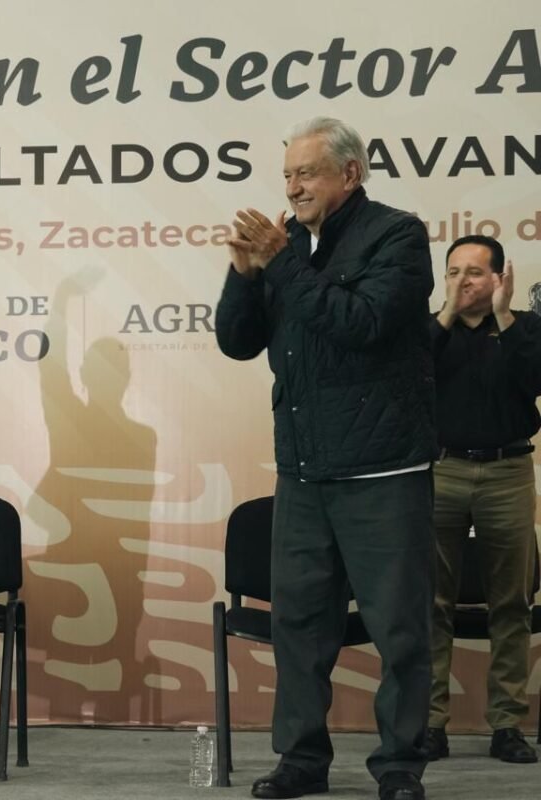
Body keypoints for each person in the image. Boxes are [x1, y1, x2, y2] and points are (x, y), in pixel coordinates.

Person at [215, 118, 436, 800]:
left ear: (350, 173)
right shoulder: (287, 250)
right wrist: (244, 274)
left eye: (306, 173)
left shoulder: (398, 235)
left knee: (398, 630)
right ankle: (302, 760)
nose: (293, 186)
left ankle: (399, 765)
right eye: (286, 175)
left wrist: (280, 258)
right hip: (304, 472)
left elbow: (363, 324)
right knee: (299, 627)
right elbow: (235, 341)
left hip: (382, 472)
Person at [425, 235, 540, 765]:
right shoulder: (427, 331)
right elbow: (405, 379)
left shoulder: (524, 328)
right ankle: (428, 723)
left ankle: (508, 725)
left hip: (508, 470)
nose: (462, 281)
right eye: (452, 272)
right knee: (431, 602)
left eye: (473, 272)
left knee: (511, 602)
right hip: (439, 471)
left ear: (498, 278)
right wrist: (446, 314)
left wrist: (506, 320)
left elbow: (534, 379)